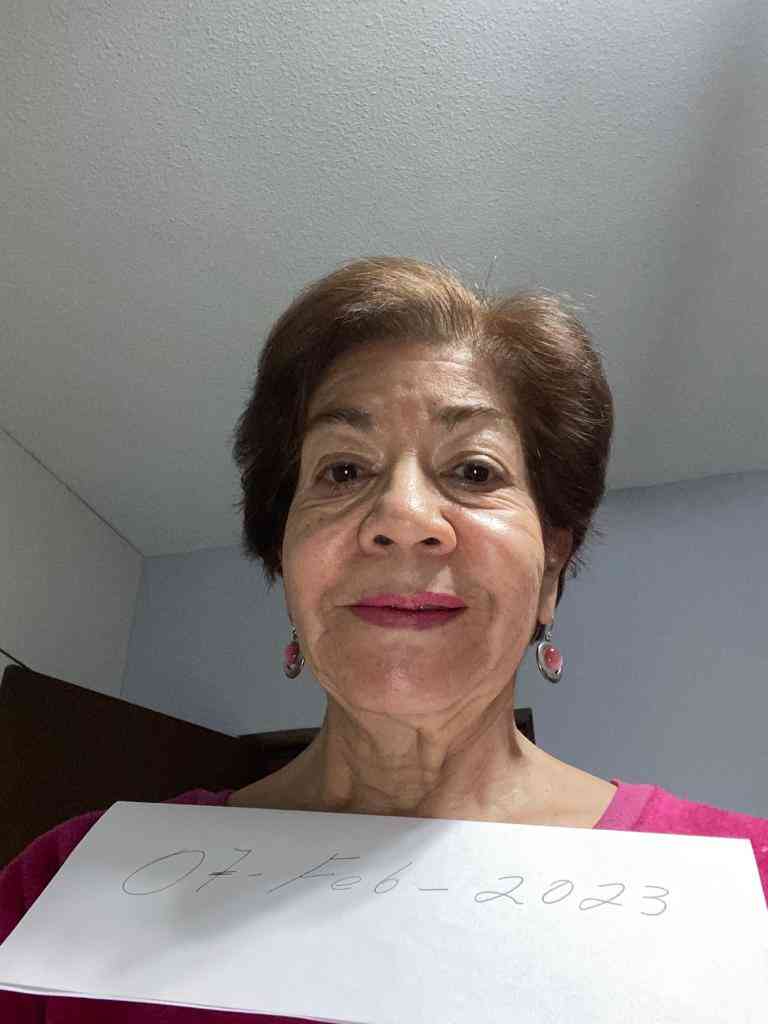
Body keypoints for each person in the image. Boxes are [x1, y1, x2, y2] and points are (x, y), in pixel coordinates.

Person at [2, 256, 767, 1022]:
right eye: (343, 471)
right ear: (285, 564)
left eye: (474, 471)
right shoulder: (60, 885)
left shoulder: (749, 889)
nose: (402, 516)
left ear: (550, 571)